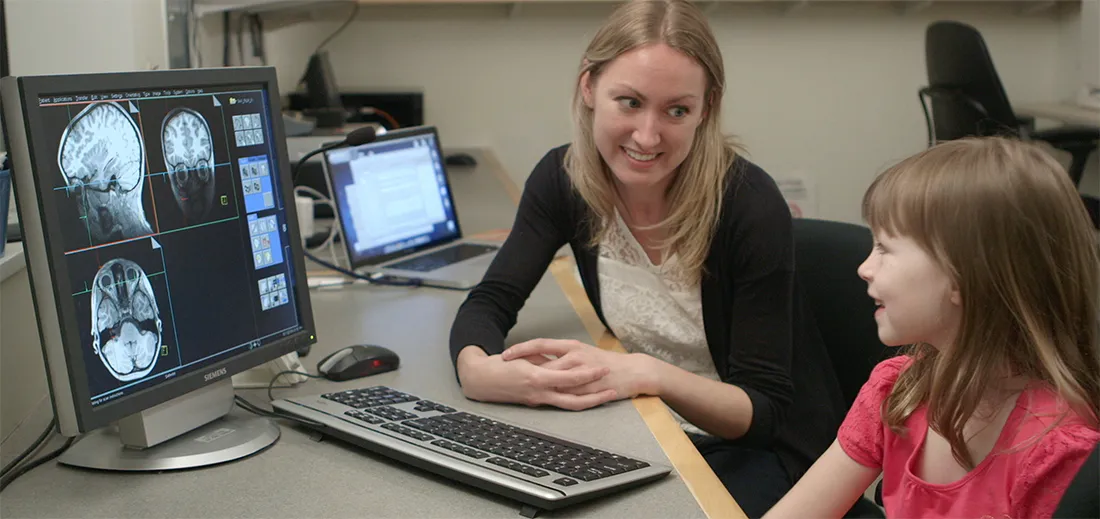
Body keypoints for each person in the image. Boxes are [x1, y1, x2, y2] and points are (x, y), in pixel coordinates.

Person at [447, 1, 846, 515]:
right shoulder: (562, 180)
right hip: (652, 426)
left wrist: (644, 373)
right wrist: (475, 369)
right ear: (589, 88)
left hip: (767, 451)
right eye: (629, 102)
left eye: (676, 110)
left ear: (706, 108)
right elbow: (492, 300)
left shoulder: (748, 204)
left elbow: (764, 410)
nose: (647, 136)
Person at [764, 136, 1100, 519]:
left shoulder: (1057, 452)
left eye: (885, 248)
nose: (864, 267)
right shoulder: (898, 390)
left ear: (962, 276)